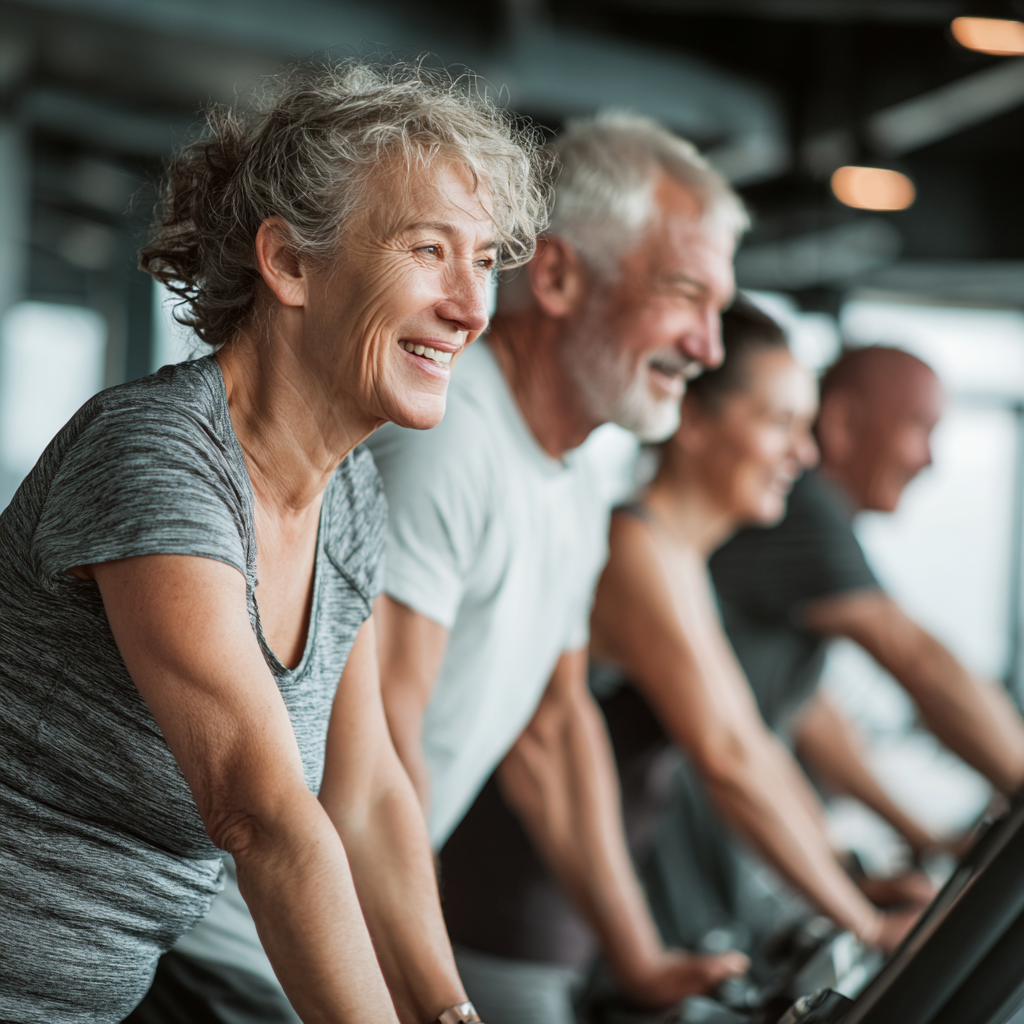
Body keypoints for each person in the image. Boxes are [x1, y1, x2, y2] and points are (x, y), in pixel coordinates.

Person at [163, 113, 751, 1024]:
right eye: (684, 294)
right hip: (248, 951)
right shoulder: (444, 439)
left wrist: (630, 961)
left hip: (333, 943)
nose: (710, 349)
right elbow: (332, 781)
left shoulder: (557, 471)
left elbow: (549, 728)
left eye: (481, 260)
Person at [0, 59, 549, 1024]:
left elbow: (368, 791)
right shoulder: (160, 455)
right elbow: (258, 814)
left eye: (487, 259)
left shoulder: (349, 497)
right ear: (290, 263)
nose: (472, 307)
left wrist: (450, 1013)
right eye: (429, 250)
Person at [440, 302, 927, 1024]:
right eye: (779, 423)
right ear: (693, 421)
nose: (805, 454)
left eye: (806, 427)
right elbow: (729, 758)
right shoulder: (636, 549)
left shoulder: (678, 557)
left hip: (567, 935)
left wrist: (855, 881)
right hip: (511, 931)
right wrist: (864, 925)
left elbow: (758, 749)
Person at [646, 343, 1024, 951]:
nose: (930, 461)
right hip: (659, 857)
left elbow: (813, 717)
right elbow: (919, 662)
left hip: (696, 856)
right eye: (920, 429)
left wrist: (919, 838)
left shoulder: (798, 528)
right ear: (844, 423)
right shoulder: (798, 506)